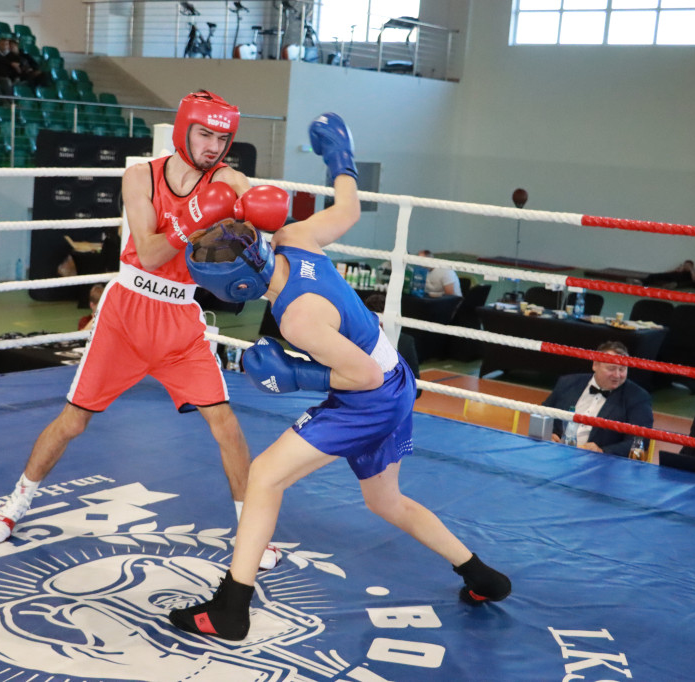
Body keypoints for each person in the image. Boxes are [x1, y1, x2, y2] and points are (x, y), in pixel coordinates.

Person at [170, 112, 511, 641]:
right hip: (397, 378)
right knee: (385, 501)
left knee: (264, 476)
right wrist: (340, 161)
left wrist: (295, 376)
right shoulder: (294, 237)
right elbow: (349, 207)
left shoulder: (299, 317)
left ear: (234, 290)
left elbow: (363, 377)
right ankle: (481, 574)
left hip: (373, 392)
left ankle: (231, 609)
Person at [0, 91, 291, 572]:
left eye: (223, 138)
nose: (213, 146)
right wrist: (194, 219)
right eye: (205, 134)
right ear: (184, 129)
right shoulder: (140, 174)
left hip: (181, 321)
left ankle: (250, 530)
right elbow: (148, 253)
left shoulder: (230, 180)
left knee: (225, 425)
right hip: (126, 313)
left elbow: (253, 235)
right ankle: (15, 502)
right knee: (73, 421)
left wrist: (264, 232)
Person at [541, 340, 653, 457]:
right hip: (555, 453)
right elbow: (544, 413)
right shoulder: (568, 382)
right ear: (595, 365)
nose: (617, 375)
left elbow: (640, 440)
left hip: (600, 464)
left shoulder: (638, 396)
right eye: (611, 368)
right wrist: (548, 433)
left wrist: (602, 451)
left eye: (622, 369)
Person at [364, 292, 421, 398]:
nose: (379, 325)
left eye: (382, 320)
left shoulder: (405, 342)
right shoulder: (356, 339)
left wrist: (393, 394)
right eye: (375, 320)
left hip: (391, 400)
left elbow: (417, 388)